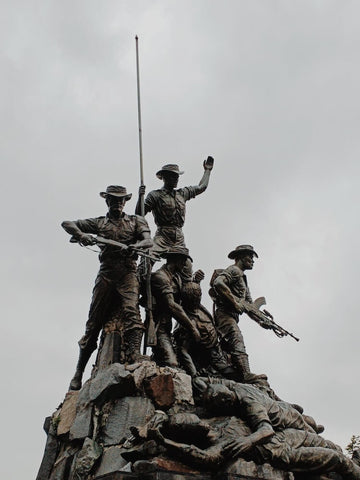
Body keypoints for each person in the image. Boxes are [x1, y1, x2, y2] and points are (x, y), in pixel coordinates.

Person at [62, 185, 152, 390]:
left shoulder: (136, 221)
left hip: (128, 272)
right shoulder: (99, 223)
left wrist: (137, 246)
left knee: (132, 311)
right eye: (113, 199)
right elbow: (67, 223)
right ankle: (78, 371)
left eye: (121, 200)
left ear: (126, 202)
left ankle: (135, 353)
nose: (117, 203)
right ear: (107, 201)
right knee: (93, 323)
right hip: (107, 273)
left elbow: (149, 240)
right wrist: (81, 234)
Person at [135, 158, 214, 280]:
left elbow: (201, 187)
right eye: (173, 176)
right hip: (162, 235)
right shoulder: (155, 195)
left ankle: (187, 291)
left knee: (187, 268)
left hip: (179, 237)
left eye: (177, 176)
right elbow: (139, 214)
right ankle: (140, 286)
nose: (176, 179)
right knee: (147, 258)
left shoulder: (182, 193)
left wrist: (207, 171)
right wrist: (140, 197)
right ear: (164, 177)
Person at [210, 244, 265, 383]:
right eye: (250, 256)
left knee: (228, 349)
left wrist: (263, 321)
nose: (253, 260)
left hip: (232, 316)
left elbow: (250, 308)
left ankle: (237, 375)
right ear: (240, 256)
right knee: (236, 338)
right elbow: (218, 282)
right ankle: (246, 374)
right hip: (224, 315)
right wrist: (234, 302)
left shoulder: (243, 280)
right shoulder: (234, 270)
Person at [150, 247, 201, 367]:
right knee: (171, 363)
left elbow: (186, 299)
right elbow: (172, 305)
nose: (184, 264)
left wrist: (196, 283)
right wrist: (192, 328)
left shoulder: (176, 277)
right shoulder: (160, 277)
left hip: (168, 327)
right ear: (175, 259)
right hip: (158, 328)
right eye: (183, 260)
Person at [173, 280, 233, 377]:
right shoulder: (189, 322)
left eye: (199, 293)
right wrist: (194, 373)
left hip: (218, 352)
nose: (200, 296)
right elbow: (183, 350)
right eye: (197, 295)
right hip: (207, 359)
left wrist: (196, 281)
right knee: (231, 374)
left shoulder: (200, 309)